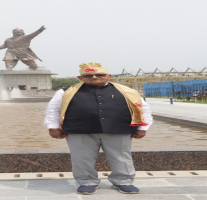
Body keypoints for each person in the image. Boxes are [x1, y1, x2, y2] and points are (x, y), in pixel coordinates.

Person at [44, 62, 153, 195]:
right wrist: (53, 127)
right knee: (82, 158)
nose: (94, 77)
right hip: (79, 130)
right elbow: (53, 110)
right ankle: (86, 182)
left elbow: (144, 109)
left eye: (99, 74)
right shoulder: (65, 92)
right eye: (88, 75)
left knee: (121, 157)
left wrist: (143, 127)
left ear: (108, 76)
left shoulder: (128, 92)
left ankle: (124, 181)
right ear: (80, 78)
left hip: (118, 129)